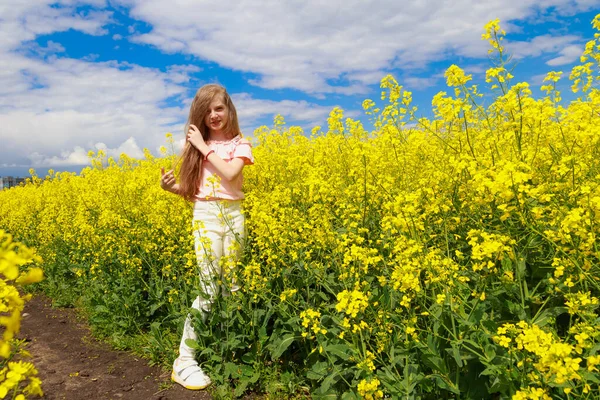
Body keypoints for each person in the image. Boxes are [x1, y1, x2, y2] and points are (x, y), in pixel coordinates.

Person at [159, 84, 254, 390]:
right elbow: (193, 193)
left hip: (235, 214)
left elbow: (229, 174)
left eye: (219, 108)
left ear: (229, 110)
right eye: (207, 110)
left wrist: (202, 146)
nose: (213, 115)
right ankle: (184, 360)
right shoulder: (199, 148)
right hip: (206, 217)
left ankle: (227, 350)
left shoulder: (242, 144)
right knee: (209, 287)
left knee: (232, 287)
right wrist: (171, 188)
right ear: (199, 114)